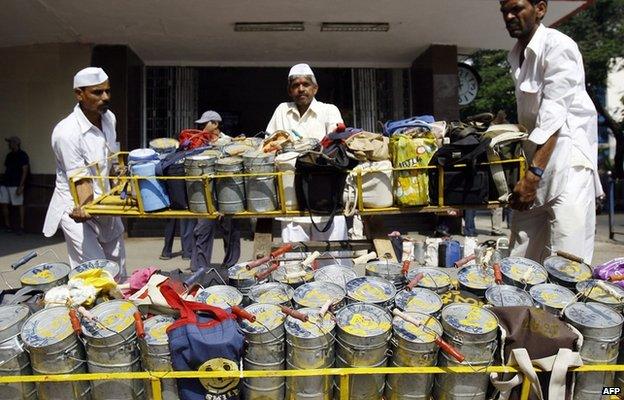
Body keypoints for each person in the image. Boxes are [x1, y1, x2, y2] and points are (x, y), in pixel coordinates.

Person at [501, 0, 602, 263]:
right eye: (504, 10)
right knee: (519, 260)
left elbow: (553, 117)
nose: (509, 15)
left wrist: (532, 177)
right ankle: (517, 305)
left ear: (540, 9)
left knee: (567, 264)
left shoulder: (559, 46)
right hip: (537, 167)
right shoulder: (516, 55)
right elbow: (532, 121)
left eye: (516, 8)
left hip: (568, 168)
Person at [43, 67, 126, 276]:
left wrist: (123, 187)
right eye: (97, 92)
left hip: (106, 204)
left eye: (107, 91)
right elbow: (80, 179)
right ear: (79, 94)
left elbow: (113, 158)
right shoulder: (66, 132)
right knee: (95, 273)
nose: (105, 97)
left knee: (119, 269)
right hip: (77, 207)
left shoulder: (109, 119)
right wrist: (85, 207)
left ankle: (119, 308)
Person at [266, 63, 349, 246]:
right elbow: (269, 144)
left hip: (325, 196)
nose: (301, 89)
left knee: (332, 261)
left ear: (315, 88)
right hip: (292, 199)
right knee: (294, 264)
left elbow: (336, 147)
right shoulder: (282, 110)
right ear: (290, 90)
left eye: (305, 84)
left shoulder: (329, 110)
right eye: (296, 85)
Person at [191, 110, 241, 275]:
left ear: (215, 124)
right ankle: (200, 270)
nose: (201, 127)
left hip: (226, 196)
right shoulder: (199, 143)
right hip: (206, 197)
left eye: (205, 123)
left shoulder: (229, 143)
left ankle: (230, 267)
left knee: (231, 232)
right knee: (202, 231)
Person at [0, 136, 29, 234]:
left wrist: (21, 186)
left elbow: (25, 171)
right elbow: (6, 168)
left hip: (16, 183)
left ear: (16, 143)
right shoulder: (9, 155)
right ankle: (8, 225)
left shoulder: (22, 155)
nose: (9, 144)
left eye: (11, 142)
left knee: (19, 204)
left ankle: (21, 226)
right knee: (4, 204)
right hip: (5, 182)